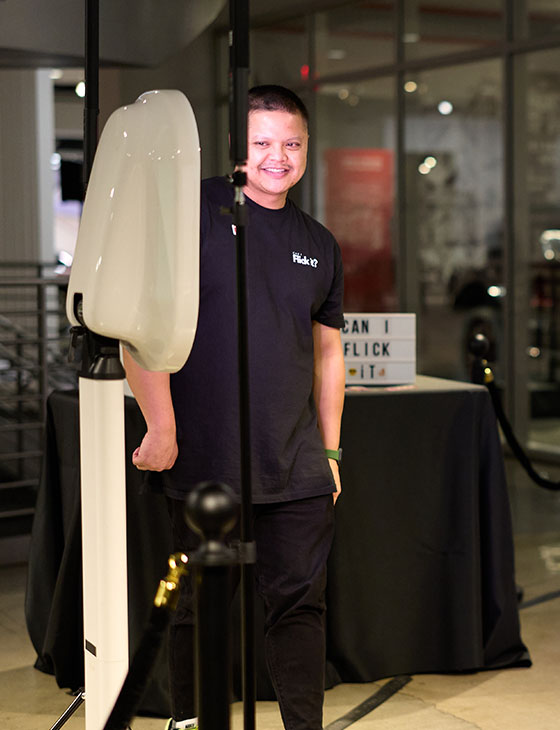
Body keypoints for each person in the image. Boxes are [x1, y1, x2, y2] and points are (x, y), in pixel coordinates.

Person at [123, 85, 345, 730]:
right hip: (203, 447)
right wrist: (160, 424)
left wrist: (331, 450)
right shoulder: (187, 213)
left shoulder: (319, 242)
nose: (279, 156)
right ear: (236, 148)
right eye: (263, 143)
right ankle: (190, 721)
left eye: (291, 144)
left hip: (296, 456)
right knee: (194, 603)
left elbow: (329, 353)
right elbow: (137, 327)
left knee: (300, 606)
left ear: (306, 149)